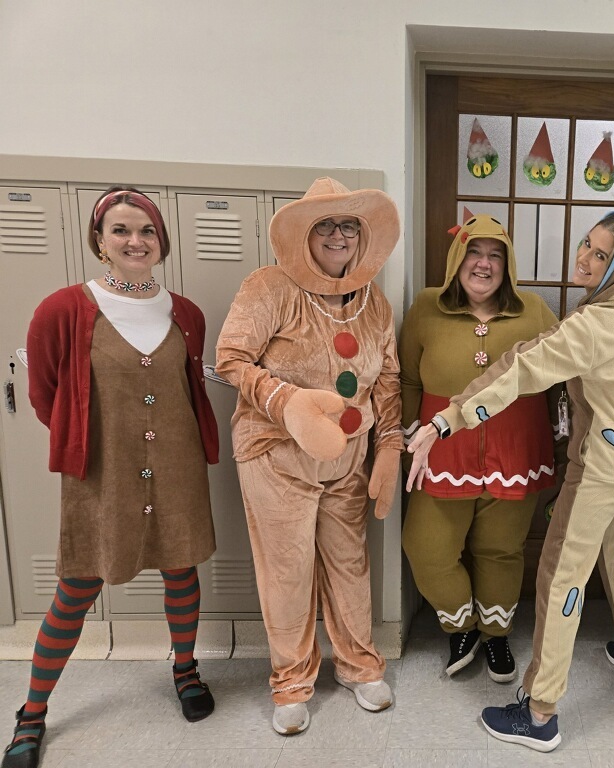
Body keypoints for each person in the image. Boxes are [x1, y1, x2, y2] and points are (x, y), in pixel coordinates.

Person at [407, 201, 614, 752]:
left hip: (601, 466)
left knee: (561, 578)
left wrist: (444, 420)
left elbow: (516, 371)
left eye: (600, 254)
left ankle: (540, 711)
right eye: (587, 243)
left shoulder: (588, 326)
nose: (584, 257)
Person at [4, 187, 218, 768]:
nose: (135, 241)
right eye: (121, 230)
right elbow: (47, 394)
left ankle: (186, 671)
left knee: (181, 569)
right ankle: (32, 714)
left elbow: (189, 386)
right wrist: (91, 442)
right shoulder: (65, 308)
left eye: (147, 230)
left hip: (176, 464)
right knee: (76, 588)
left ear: (161, 241)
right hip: (102, 472)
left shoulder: (186, 313)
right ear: (99, 241)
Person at [216, 177, 402, 736]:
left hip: (348, 458)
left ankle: (359, 664)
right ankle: (291, 680)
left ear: (363, 236)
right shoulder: (270, 286)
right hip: (276, 456)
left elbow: (388, 378)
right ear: (306, 236)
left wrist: (389, 444)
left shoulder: (376, 302)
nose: (339, 235)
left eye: (349, 225)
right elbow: (230, 359)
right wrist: (286, 401)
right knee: (288, 570)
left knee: (350, 564)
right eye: (326, 225)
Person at [399, 215, 562, 683]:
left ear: (508, 265)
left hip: (517, 450)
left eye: (495, 255)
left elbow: (560, 379)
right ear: (457, 259)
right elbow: (409, 377)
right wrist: (410, 436)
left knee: (500, 550)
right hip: (440, 448)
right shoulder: (427, 307)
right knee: (426, 548)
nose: (484, 264)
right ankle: (462, 625)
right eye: (475, 252)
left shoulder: (533, 310)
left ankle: (496, 634)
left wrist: (563, 437)